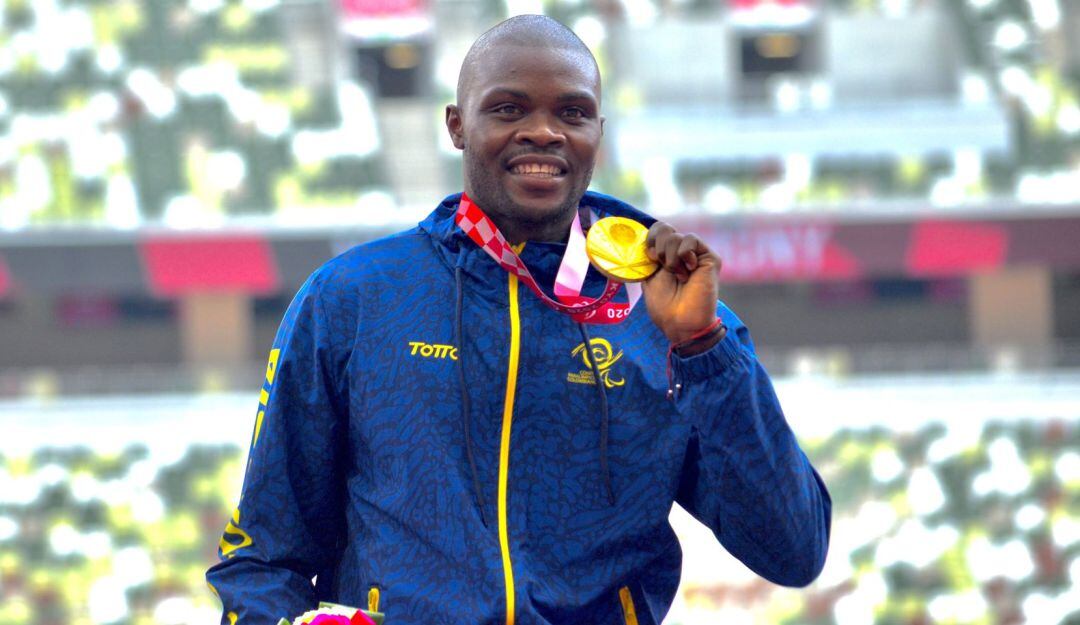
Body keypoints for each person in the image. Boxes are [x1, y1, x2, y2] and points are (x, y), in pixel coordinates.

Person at [207, 14, 831, 625]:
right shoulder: (352, 298)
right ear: (456, 126)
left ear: (597, 132)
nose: (544, 132)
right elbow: (261, 558)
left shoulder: (669, 317)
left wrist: (703, 349)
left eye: (572, 112)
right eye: (509, 109)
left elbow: (793, 549)